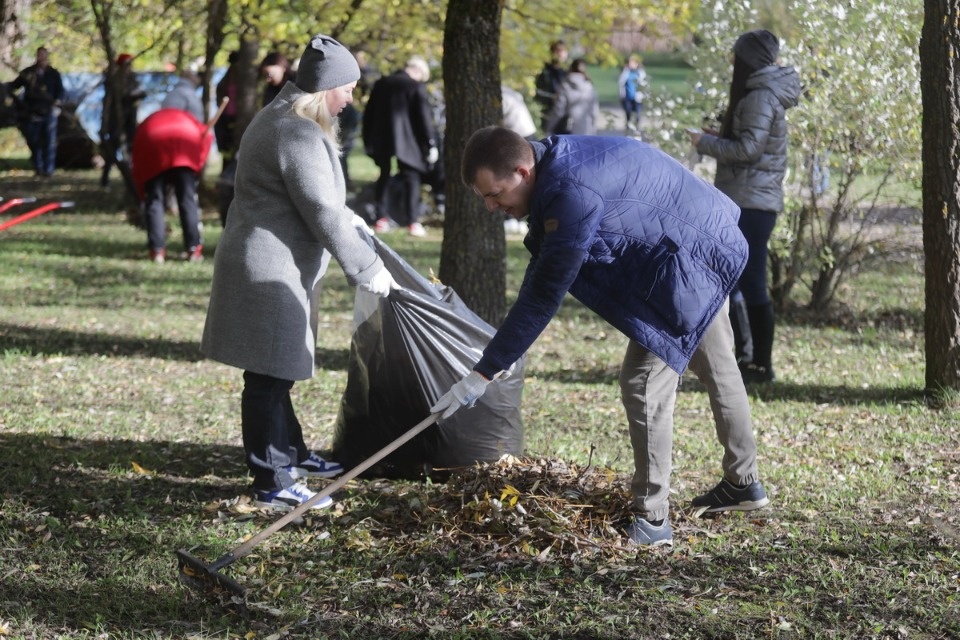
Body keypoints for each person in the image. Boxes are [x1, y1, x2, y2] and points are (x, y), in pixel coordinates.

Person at [430, 126, 770, 547]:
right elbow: (546, 266)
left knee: (643, 382)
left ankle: (653, 518)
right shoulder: (554, 165)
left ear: (522, 170)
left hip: (689, 253)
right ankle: (744, 482)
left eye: (494, 194)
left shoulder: (570, 194)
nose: (489, 206)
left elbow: (543, 294)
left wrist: (483, 372)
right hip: (699, 236)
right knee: (717, 364)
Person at [201, 34, 399, 511]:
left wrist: (347, 214)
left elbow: (318, 201)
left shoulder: (282, 119)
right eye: (347, 88)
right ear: (324, 88)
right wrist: (366, 266)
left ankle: (293, 455)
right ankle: (272, 483)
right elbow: (320, 210)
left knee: (275, 370)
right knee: (268, 378)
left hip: (274, 263)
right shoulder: (297, 130)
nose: (351, 97)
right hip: (270, 268)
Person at [687, 29, 800, 384]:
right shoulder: (761, 95)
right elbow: (750, 144)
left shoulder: (758, 97)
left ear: (747, 59)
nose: (732, 62)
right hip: (748, 200)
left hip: (751, 203)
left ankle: (759, 364)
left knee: (748, 281)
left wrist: (706, 143)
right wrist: (718, 137)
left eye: (736, 56)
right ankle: (744, 357)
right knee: (735, 280)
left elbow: (748, 150)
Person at [132, 70, 208, 263]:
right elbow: (202, 146)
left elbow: (138, 157)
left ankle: (157, 251)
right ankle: (193, 250)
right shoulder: (193, 111)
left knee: (154, 200)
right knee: (187, 199)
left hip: (153, 140)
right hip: (183, 142)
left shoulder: (167, 103)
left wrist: (143, 189)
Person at [361, 55, 439, 237]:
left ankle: (381, 218)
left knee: (384, 176)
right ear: (418, 71)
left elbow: (369, 114)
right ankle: (413, 221)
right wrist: (431, 142)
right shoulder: (415, 87)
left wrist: (367, 140)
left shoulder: (381, 84)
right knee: (412, 179)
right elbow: (423, 118)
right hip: (408, 143)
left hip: (382, 140)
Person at [9, 46, 64, 177]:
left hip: (49, 111)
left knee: (50, 141)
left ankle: (48, 170)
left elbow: (60, 91)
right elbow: (14, 85)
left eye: (43, 55)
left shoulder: (53, 74)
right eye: (39, 55)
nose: (41, 57)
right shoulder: (28, 73)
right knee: (34, 141)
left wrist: (57, 101)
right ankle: (39, 168)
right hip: (32, 112)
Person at [100, 53, 145, 187]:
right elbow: (111, 100)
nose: (128, 68)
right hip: (116, 121)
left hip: (130, 121)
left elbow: (141, 93)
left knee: (132, 150)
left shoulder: (133, 79)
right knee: (112, 151)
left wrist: (133, 96)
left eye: (129, 65)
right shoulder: (113, 80)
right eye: (126, 65)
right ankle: (105, 179)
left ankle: (134, 179)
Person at [543, 58, 599, 136]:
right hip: (586, 130)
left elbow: (559, 110)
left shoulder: (565, 85)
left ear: (571, 68)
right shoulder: (589, 86)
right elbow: (594, 111)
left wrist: (548, 128)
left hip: (569, 131)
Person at [533, 40, 568, 133]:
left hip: (566, 117)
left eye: (563, 51)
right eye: (558, 51)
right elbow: (537, 92)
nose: (560, 54)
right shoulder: (545, 72)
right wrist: (552, 98)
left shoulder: (568, 72)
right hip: (549, 115)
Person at [617, 54, 647, 134]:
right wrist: (625, 70)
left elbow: (644, 84)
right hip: (627, 96)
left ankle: (637, 129)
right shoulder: (626, 72)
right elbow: (620, 82)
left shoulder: (640, 73)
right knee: (628, 113)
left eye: (633, 63)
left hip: (638, 97)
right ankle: (628, 129)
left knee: (638, 113)